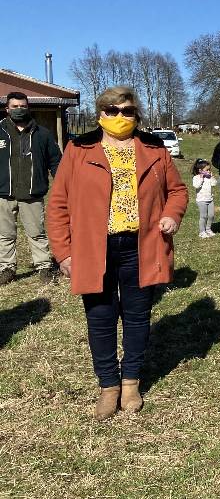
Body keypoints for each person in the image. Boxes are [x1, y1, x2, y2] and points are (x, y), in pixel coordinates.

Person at [46, 86, 188, 420]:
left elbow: (178, 191)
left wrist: (171, 214)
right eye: (111, 110)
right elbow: (58, 204)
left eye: (126, 111)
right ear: (100, 113)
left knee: (138, 317)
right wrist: (64, 253)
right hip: (94, 248)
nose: (119, 117)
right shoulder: (79, 148)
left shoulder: (154, 149)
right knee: (100, 319)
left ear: (136, 114)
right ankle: (108, 385)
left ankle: (130, 383)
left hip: (141, 246)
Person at [0, 91, 62, 284]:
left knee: (37, 233)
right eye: (15, 106)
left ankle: (43, 267)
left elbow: (56, 161)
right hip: (4, 193)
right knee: (5, 235)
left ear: (28, 108)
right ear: (7, 109)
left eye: (23, 106)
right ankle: (6, 268)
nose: (19, 110)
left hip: (32, 193)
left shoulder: (42, 134)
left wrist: (61, 185)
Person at [192, 158, 217, 238]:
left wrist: (212, 177)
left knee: (211, 215)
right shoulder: (196, 178)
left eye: (209, 170)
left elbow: (214, 184)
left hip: (210, 199)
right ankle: (202, 231)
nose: (209, 171)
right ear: (200, 170)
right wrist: (201, 178)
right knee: (203, 216)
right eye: (207, 170)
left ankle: (208, 229)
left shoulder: (209, 177)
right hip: (201, 200)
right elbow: (196, 186)